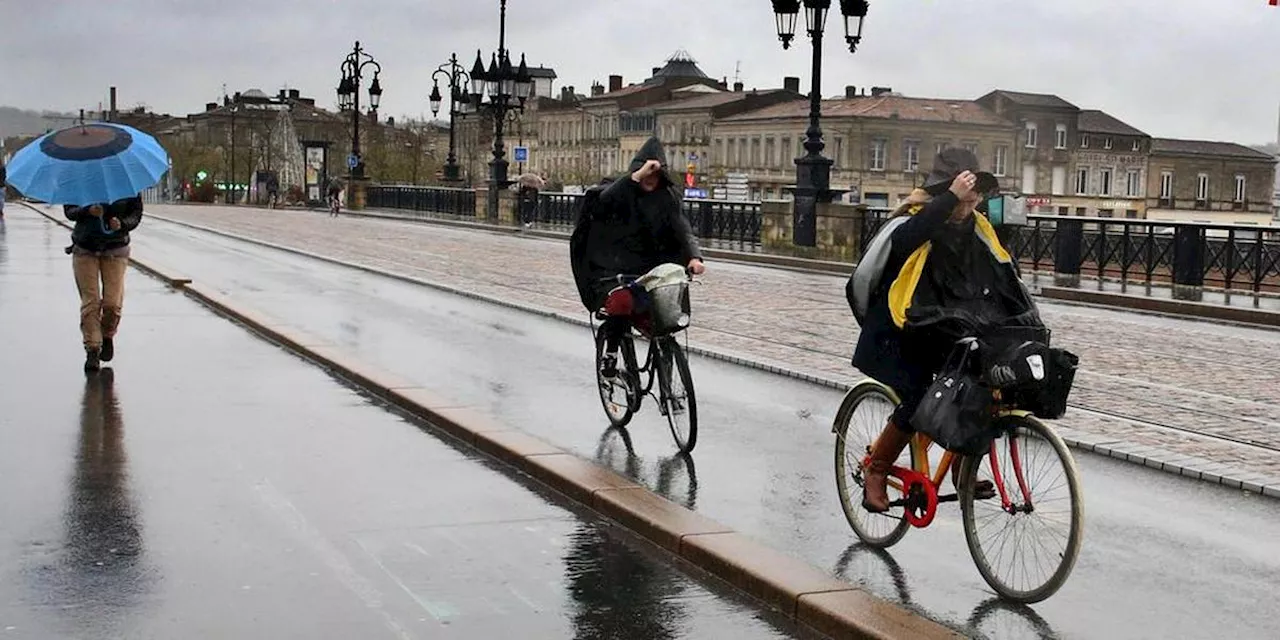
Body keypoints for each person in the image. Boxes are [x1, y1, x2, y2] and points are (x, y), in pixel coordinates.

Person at [853, 148, 1041, 512]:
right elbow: (908, 238)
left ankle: (961, 468)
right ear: (944, 193)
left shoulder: (980, 231)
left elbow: (1005, 279)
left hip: (953, 328)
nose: (965, 209)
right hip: (904, 328)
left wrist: (1028, 321)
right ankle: (877, 469)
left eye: (971, 201)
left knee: (987, 385)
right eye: (958, 200)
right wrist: (948, 199)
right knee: (921, 393)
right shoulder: (916, 220)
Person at [569, 136, 706, 379]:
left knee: (668, 312)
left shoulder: (667, 197)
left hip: (651, 269)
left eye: (655, 175)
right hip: (612, 270)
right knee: (621, 303)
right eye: (647, 175)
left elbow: (682, 229)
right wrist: (635, 177)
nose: (651, 179)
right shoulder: (618, 190)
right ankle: (611, 355)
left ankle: (667, 364)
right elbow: (604, 201)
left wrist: (694, 258)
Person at [64, 196, 143, 372]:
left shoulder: (126, 181)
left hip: (115, 248)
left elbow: (136, 213)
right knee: (91, 302)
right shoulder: (79, 178)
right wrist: (87, 211)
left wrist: (121, 223)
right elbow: (70, 210)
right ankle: (92, 349)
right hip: (85, 248)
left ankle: (107, 334)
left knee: (112, 303)